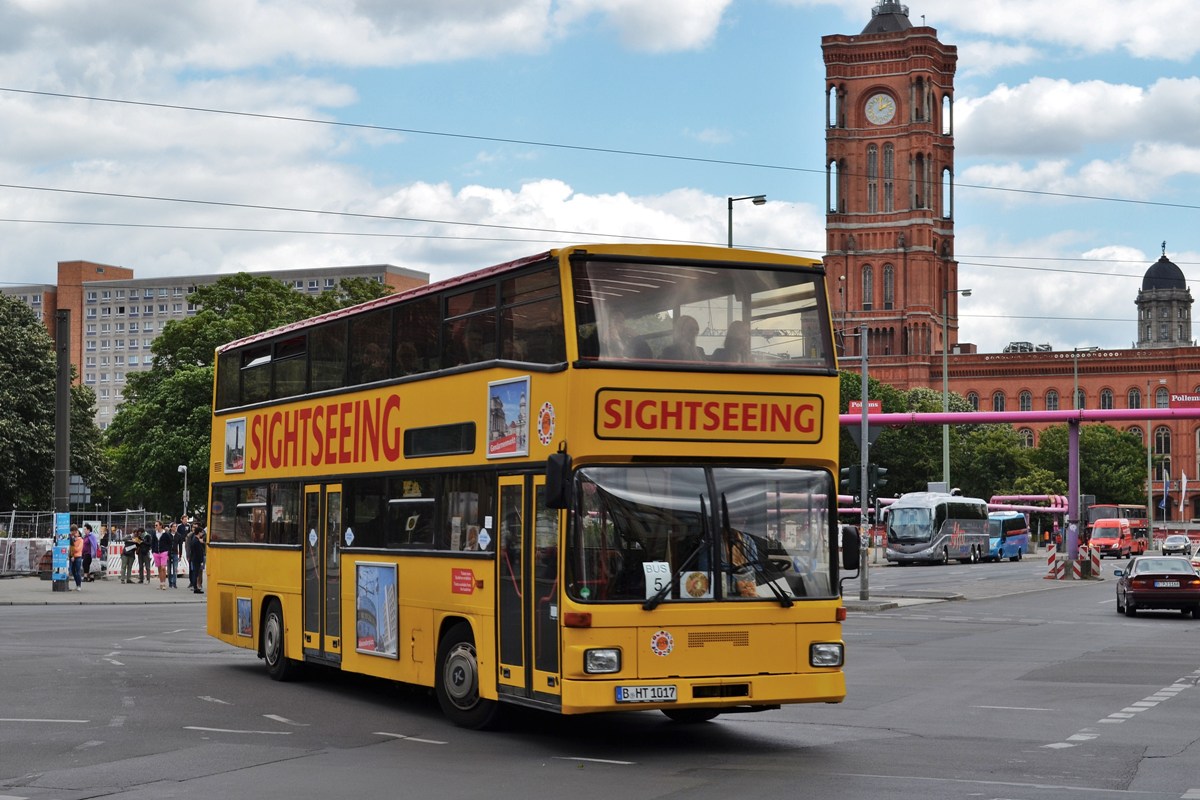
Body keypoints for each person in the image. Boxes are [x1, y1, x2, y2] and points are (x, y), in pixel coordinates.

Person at [148, 520, 173, 590]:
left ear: (161, 526)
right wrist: (153, 551)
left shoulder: (166, 534)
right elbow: (152, 543)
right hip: (156, 552)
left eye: (156, 525)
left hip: (164, 552)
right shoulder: (154, 534)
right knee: (159, 568)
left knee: (163, 568)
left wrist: (168, 552)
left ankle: (164, 583)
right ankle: (161, 583)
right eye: (155, 525)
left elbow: (170, 543)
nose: (155, 526)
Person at [187, 526, 207, 594]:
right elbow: (198, 551)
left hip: (194, 558)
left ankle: (195, 587)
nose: (202, 534)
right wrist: (201, 560)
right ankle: (195, 587)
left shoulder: (195, 540)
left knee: (196, 573)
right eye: (201, 532)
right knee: (196, 573)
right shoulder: (196, 541)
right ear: (199, 533)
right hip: (196, 559)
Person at [68, 524, 85, 591]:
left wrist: (72, 550)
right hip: (73, 557)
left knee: (77, 571)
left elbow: (77, 549)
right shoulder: (72, 538)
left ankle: (79, 585)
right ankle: (77, 584)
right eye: (75, 532)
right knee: (73, 571)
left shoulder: (80, 540)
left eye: (77, 532)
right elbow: (71, 547)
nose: (75, 533)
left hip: (78, 557)